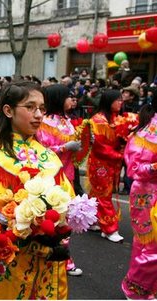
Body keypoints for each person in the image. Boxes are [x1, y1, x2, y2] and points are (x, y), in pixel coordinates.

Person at [0, 81, 73, 299]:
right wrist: (41, 240)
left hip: (51, 262)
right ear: (8, 110)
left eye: (42, 108)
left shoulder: (50, 157)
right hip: (14, 262)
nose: (38, 115)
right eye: (30, 107)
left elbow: (68, 201)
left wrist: (61, 228)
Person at [36, 84, 83, 277]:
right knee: (52, 217)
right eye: (67, 96)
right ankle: (53, 253)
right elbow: (41, 152)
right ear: (57, 98)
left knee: (66, 217)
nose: (71, 100)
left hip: (67, 176)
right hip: (50, 176)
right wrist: (65, 147)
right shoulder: (44, 122)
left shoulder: (67, 121)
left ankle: (64, 256)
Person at [121, 100, 157, 300]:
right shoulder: (145, 134)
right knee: (149, 244)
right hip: (147, 193)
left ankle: (148, 287)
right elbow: (134, 169)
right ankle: (135, 289)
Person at [87, 89, 125, 243]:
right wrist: (120, 155)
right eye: (118, 100)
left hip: (111, 163)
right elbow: (100, 147)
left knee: (98, 193)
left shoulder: (118, 119)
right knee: (103, 194)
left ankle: (90, 219)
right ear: (109, 101)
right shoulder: (98, 121)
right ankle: (109, 228)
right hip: (100, 163)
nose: (121, 102)